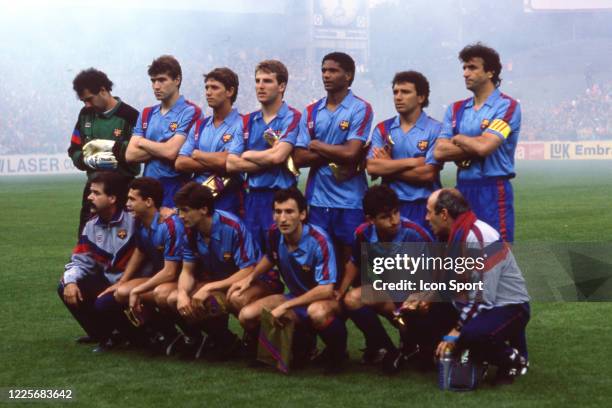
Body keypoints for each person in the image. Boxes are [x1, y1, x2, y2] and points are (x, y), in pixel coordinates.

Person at [232, 187, 348, 372]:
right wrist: (250, 278)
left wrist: (285, 306)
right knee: (246, 316)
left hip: (326, 300)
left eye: (289, 211)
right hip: (295, 296)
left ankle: (338, 355)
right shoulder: (275, 233)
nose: (283, 218)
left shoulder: (319, 240)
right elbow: (271, 256)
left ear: (302, 214)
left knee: (316, 313)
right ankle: (286, 350)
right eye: (278, 212)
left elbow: (326, 289)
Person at [427, 188, 530, 384]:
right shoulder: (453, 235)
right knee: (430, 311)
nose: (426, 217)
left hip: (509, 307)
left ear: (444, 214)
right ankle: (465, 356)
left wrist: (455, 332)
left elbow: (482, 299)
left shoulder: (480, 239)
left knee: (471, 335)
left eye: (429, 211)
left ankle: (513, 359)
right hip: (478, 304)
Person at [165, 182, 273, 359]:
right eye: (178, 210)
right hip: (221, 282)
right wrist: (183, 293)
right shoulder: (189, 231)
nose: (180, 216)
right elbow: (187, 271)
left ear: (204, 209)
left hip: (256, 280)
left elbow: (248, 269)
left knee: (236, 298)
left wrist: (208, 288)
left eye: (185, 210)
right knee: (174, 299)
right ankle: (223, 340)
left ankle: (257, 342)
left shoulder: (231, 226)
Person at [341, 185, 435, 373]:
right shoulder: (363, 233)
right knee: (352, 299)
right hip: (391, 293)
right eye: (385, 217)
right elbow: (355, 263)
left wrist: (420, 297)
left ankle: (415, 342)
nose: (394, 221)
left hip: (420, 297)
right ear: (370, 220)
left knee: (425, 355)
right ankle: (387, 348)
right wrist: (340, 291)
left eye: (395, 213)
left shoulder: (415, 233)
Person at [293, 51, 373, 270]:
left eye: (333, 70)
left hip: (351, 200)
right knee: (322, 259)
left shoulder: (360, 108)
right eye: (324, 70)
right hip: (318, 199)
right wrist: (339, 150)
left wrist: (317, 145)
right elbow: (299, 158)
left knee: (352, 259)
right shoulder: (310, 111)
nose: (326, 75)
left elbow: (351, 153)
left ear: (348, 75)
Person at [434, 43, 521, 242]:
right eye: (464, 68)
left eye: (472, 68)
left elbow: (484, 147)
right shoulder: (455, 109)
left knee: (497, 254)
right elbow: (439, 152)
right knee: (464, 256)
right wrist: (476, 143)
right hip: (462, 189)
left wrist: (459, 138)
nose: (465, 73)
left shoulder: (507, 106)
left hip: (493, 189)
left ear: (490, 72)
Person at [57, 171, 136, 351]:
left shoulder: (133, 221)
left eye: (96, 193)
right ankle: (105, 336)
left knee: (106, 302)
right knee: (65, 286)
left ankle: (141, 334)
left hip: (135, 285)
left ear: (113, 198)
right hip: (110, 285)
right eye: (90, 192)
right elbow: (80, 261)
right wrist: (70, 281)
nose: (89, 197)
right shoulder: (91, 226)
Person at [226, 59, 301, 249]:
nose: (260, 86)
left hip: (281, 197)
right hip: (253, 198)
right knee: (254, 256)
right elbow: (231, 163)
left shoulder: (293, 117)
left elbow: (279, 157)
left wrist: (248, 154)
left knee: (281, 256)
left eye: (267, 81)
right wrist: (268, 156)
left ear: (282, 86)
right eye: (257, 81)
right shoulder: (246, 121)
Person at [106, 177, 185, 350]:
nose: (127, 204)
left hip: (180, 280)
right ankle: (161, 333)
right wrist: (123, 280)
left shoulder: (169, 224)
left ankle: (191, 335)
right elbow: (140, 251)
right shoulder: (141, 224)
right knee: (121, 292)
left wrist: (138, 289)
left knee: (161, 294)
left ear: (149, 202)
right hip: (164, 278)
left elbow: (171, 272)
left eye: (132, 199)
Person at [126, 55, 201, 216]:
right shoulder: (146, 113)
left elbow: (171, 152)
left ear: (177, 80)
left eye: (162, 80)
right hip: (147, 190)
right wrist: (163, 146)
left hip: (176, 188)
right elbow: (130, 155)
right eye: (153, 81)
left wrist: (143, 142)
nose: (156, 86)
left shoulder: (191, 111)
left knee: (172, 237)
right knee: (146, 239)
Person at [366, 71, 441, 231]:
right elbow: (372, 167)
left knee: (422, 256)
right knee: (392, 256)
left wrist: (388, 166)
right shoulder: (382, 129)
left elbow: (427, 174)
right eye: (395, 92)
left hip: (424, 207)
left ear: (421, 97)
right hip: (391, 209)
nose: (398, 97)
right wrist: (414, 162)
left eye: (405, 92)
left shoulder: (436, 129)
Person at [68, 68, 139, 236]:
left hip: (123, 189)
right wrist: (87, 160)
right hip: (93, 188)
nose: (87, 105)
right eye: (83, 101)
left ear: (103, 90)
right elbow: (74, 149)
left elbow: (139, 153)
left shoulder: (131, 116)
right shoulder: (85, 114)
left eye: (89, 99)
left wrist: (115, 153)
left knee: (123, 241)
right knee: (86, 240)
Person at [175, 67, 245, 217]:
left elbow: (229, 162)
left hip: (228, 199)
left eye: (214, 87)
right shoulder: (199, 125)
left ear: (230, 91)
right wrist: (218, 161)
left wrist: (197, 154)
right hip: (197, 201)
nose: (208, 92)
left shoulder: (243, 124)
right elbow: (180, 163)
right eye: (207, 87)